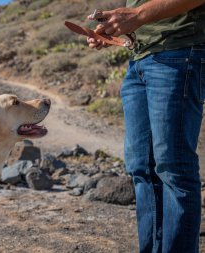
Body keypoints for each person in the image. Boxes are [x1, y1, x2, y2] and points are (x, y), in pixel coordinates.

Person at [86, 1, 205, 252]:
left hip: (179, 53)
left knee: (173, 166)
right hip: (139, 60)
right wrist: (116, 30)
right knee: (142, 168)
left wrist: (137, 14)